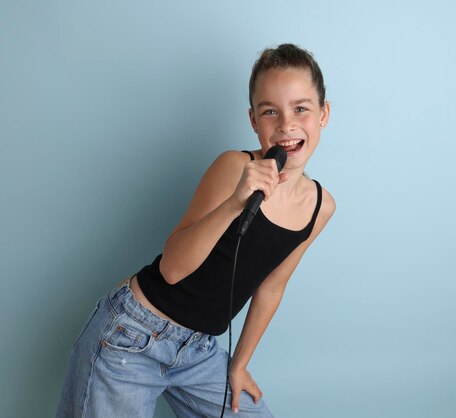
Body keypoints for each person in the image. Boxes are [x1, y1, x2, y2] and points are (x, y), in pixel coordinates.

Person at [56, 43, 335, 418]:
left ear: (323, 114)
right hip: (133, 334)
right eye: (271, 112)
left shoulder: (320, 206)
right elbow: (172, 268)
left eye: (301, 108)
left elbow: (272, 287)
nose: (286, 125)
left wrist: (238, 364)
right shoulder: (234, 167)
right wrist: (236, 202)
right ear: (254, 121)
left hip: (197, 351)